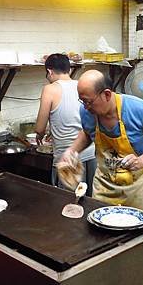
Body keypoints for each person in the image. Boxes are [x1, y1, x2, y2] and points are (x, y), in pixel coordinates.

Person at [61, 69, 143, 217]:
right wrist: (72, 151)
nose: (86, 107)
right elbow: (87, 133)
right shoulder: (88, 112)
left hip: (138, 188)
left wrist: (141, 160)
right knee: (101, 231)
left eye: (89, 102)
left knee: (141, 234)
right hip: (105, 186)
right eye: (82, 101)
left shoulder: (138, 109)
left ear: (107, 94)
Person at [35, 54, 96, 196]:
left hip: (66, 158)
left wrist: (40, 134)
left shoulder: (49, 89)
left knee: (68, 204)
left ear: (49, 72)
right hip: (90, 153)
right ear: (69, 69)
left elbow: (39, 128)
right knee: (91, 201)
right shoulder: (81, 85)